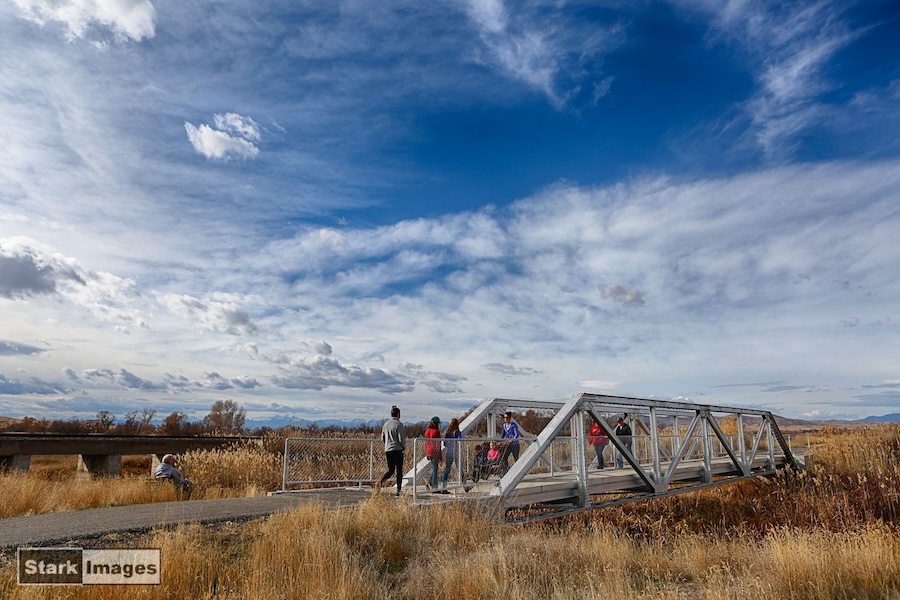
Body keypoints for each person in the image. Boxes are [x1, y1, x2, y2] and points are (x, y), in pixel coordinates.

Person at [379, 405, 406, 496]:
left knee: (391, 470)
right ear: (398, 414)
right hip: (397, 450)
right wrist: (403, 447)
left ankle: (381, 482)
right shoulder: (399, 424)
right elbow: (401, 439)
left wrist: (387, 444)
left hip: (388, 450)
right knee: (399, 471)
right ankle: (398, 490)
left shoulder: (385, 424)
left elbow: (382, 438)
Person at [441, 418, 462, 491]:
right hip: (456, 452)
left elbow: (444, 443)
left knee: (447, 469)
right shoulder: (457, 432)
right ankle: (465, 485)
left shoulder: (447, 433)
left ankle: (444, 486)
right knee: (459, 468)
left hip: (448, 452)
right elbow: (459, 441)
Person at [424, 416, 443, 490]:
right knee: (435, 469)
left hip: (429, 451)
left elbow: (426, 442)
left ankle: (428, 484)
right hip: (434, 451)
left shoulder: (427, 431)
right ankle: (434, 487)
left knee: (434, 468)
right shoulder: (436, 432)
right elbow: (438, 444)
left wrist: (427, 453)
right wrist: (440, 455)